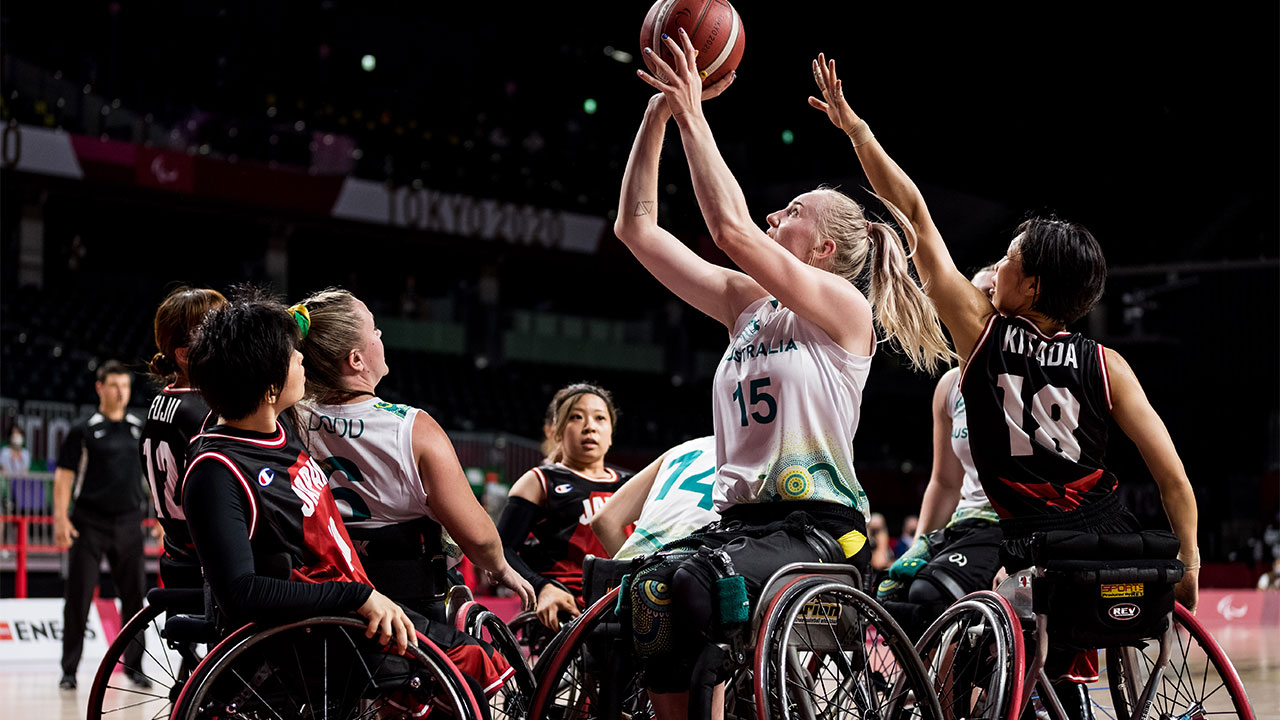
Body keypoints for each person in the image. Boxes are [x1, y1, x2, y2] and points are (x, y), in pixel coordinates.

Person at [808, 53, 1200, 719]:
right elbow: (1173, 480)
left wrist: (857, 132)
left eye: (1009, 260)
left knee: (955, 613)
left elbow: (913, 212)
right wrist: (1189, 559)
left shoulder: (982, 335)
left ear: (1032, 286)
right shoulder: (1109, 364)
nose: (999, 262)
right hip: (1105, 541)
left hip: (1028, 544)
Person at [616, 33, 954, 719]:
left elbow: (732, 228)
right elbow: (637, 227)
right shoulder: (746, 306)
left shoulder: (842, 309)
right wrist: (659, 115)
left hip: (820, 530)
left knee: (690, 581)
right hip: (741, 523)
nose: (775, 216)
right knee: (645, 589)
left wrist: (694, 112)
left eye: (792, 212)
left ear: (825, 249)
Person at [181, 289, 512, 715]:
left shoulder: (280, 430)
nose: (303, 359)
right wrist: (353, 596)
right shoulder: (217, 468)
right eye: (291, 355)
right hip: (329, 631)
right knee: (480, 665)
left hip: (352, 607)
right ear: (267, 387)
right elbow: (240, 592)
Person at [291, 288, 535, 623]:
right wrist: (500, 566)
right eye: (373, 330)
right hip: (408, 606)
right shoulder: (411, 427)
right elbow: (478, 537)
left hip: (319, 600)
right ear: (356, 360)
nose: (380, 336)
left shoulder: (287, 419)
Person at [877, 267, 1005, 638]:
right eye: (977, 293)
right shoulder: (950, 385)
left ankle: (960, 695)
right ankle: (934, 692)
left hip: (1005, 527)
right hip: (963, 526)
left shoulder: (1023, 373)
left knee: (927, 594)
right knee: (889, 594)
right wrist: (918, 547)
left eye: (992, 295)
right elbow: (946, 482)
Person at [497, 382, 630, 632]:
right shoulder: (539, 481)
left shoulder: (633, 484)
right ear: (556, 431)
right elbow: (500, 548)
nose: (590, 426)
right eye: (576, 417)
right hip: (566, 610)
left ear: (611, 433)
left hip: (626, 604)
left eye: (600, 418)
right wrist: (541, 587)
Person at [54, 360, 148, 691]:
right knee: (78, 599)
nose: (121, 392)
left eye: (125, 385)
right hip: (88, 524)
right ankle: (69, 670)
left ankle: (135, 668)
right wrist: (60, 518)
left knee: (135, 599)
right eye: (114, 385)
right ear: (100, 388)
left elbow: (153, 475)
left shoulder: (139, 427)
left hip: (129, 523)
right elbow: (64, 477)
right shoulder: (83, 429)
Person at [139, 286, 227, 590]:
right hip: (207, 555)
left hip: (177, 548)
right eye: (219, 332)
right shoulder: (204, 411)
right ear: (185, 354)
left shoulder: (161, 402)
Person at [592, 435, 719, 560]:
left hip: (638, 574)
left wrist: (632, 569)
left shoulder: (684, 448)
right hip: (691, 572)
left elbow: (605, 520)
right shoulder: (737, 463)